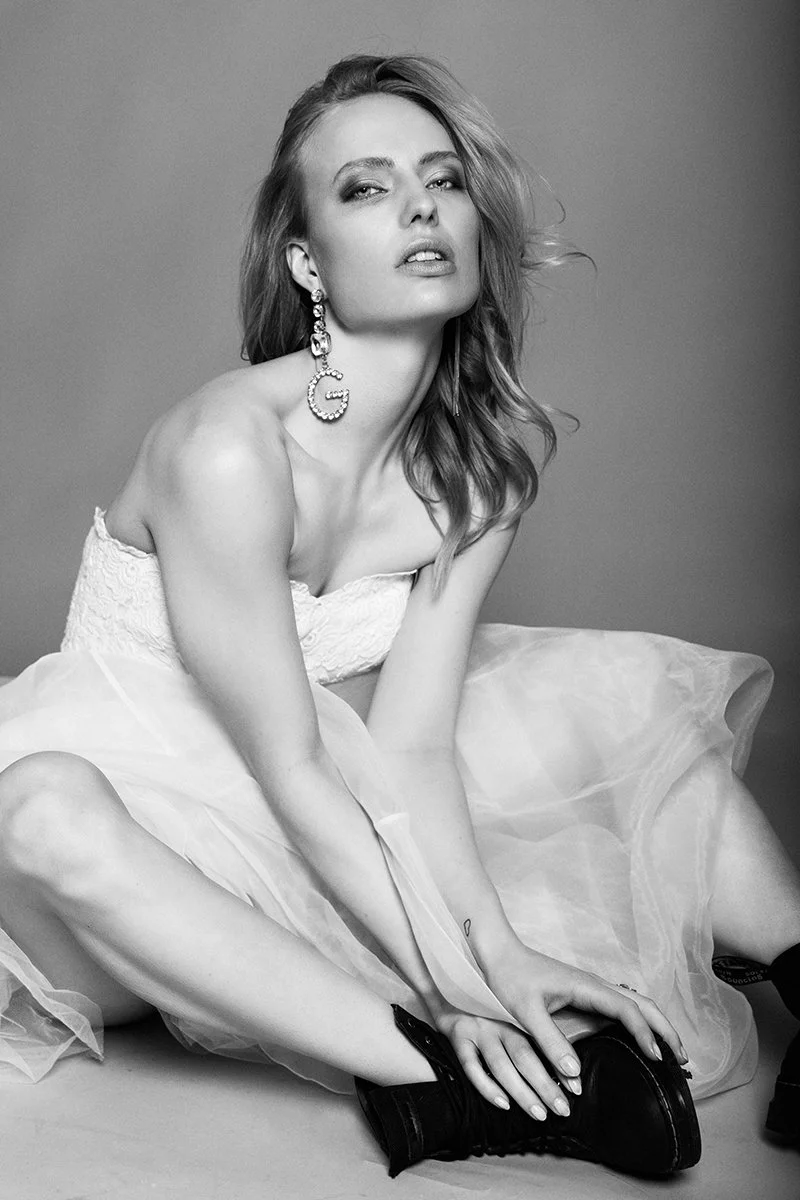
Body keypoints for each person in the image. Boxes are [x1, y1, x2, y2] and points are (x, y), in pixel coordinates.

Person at [0, 53, 797, 1179]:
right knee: (39, 806)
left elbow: (412, 748)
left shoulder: (480, 474)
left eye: (443, 178)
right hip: (117, 891)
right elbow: (286, 760)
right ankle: (446, 1080)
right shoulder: (228, 448)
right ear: (306, 262)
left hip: (310, 840)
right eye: (366, 188)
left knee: (613, 716)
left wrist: (498, 952)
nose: (420, 206)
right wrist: (451, 985)